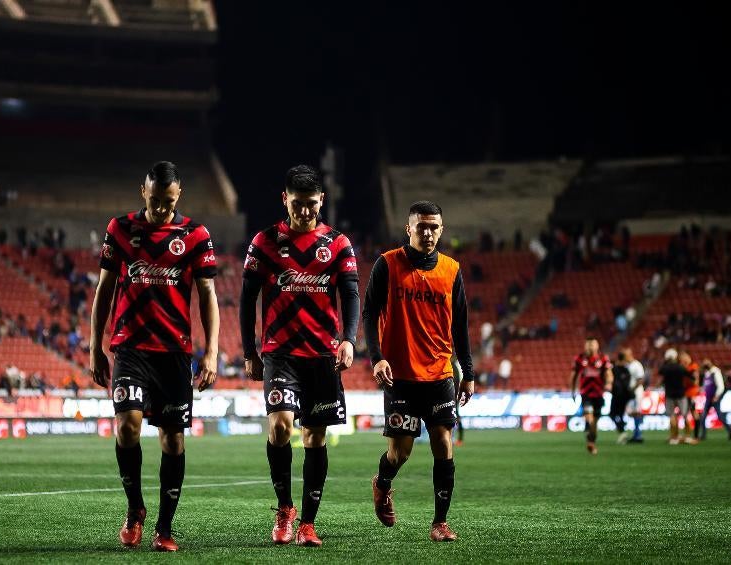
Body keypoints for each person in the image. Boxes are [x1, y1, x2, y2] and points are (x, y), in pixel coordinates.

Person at [89, 161, 220, 552]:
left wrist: (211, 352)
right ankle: (135, 511)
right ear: (142, 192)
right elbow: (104, 289)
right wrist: (96, 346)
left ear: (178, 196)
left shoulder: (195, 234)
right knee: (126, 427)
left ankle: (165, 527)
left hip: (174, 353)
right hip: (130, 347)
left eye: (168, 201)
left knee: (172, 441)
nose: (162, 208)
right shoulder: (121, 229)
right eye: (155, 200)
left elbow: (208, 294)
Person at [241, 165, 359, 547]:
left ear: (321, 200)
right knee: (279, 427)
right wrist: (249, 351)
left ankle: (308, 523)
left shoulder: (338, 243)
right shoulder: (266, 241)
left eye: (311, 204)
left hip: (323, 355)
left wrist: (350, 340)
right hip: (280, 354)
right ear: (284, 199)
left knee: (314, 435)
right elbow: (247, 300)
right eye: (298, 203)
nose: (305, 211)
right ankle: (284, 508)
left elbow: (352, 295)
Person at [363, 200, 475, 542]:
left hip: (440, 373)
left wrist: (467, 372)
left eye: (434, 227)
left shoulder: (452, 270)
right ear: (408, 228)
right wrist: (377, 357)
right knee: (401, 452)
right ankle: (383, 483)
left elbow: (461, 327)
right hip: (399, 377)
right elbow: (369, 314)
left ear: (441, 231)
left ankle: (440, 523)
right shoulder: (387, 264)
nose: (427, 232)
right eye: (421, 226)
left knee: (443, 442)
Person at [569, 337, 613, 455]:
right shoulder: (579, 359)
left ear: (597, 346)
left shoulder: (603, 358)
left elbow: (609, 373)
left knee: (595, 422)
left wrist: (609, 383)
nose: (590, 347)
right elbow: (573, 375)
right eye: (588, 345)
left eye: (592, 344)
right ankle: (588, 426)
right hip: (586, 394)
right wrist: (572, 391)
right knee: (589, 415)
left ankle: (591, 441)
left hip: (599, 394)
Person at [658, 348, 697, 445]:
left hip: (670, 395)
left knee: (672, 416)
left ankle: (674, 438)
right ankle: (687, 437)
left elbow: (660, 371)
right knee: (685, 415)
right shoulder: (680, 367)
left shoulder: (666, 368)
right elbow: (691, 377)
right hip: (681, 394)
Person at [697, 360, 731, 441]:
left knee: (719, 416)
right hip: (709, 398)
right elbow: (706, 385)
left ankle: (730, 431)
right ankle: (703, 435)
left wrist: (716, 396)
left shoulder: (715, 372)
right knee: (703, 417)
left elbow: (721, 386)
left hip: (714, 398)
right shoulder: (708, 373)